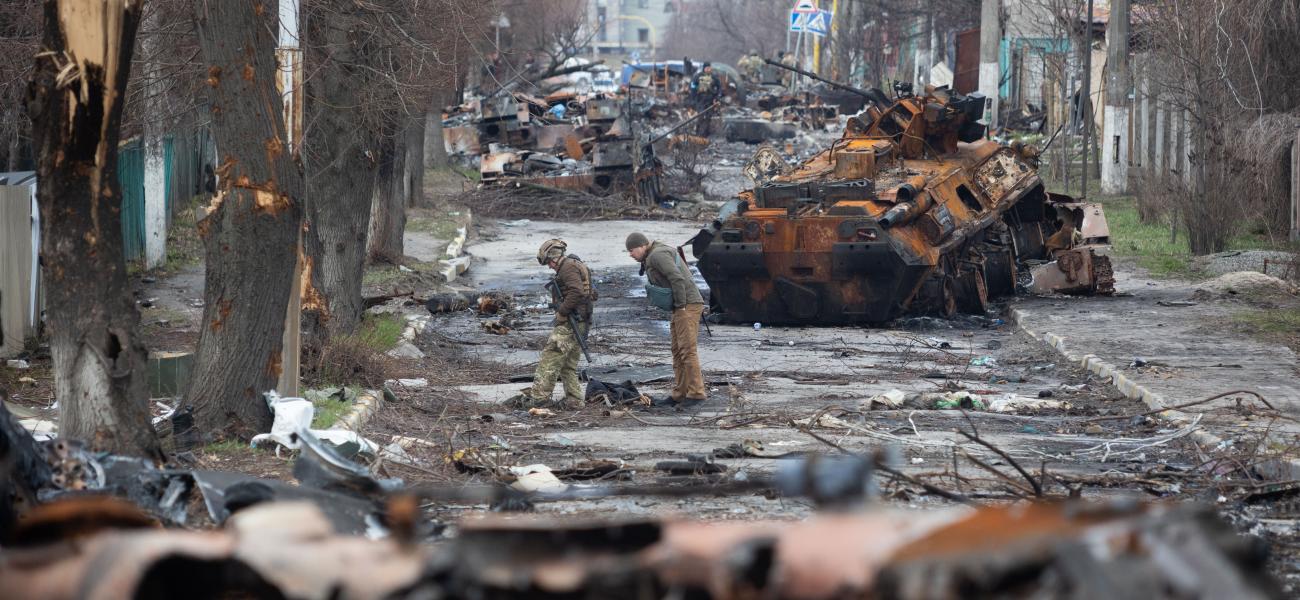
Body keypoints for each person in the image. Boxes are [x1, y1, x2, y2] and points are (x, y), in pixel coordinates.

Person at [509, 239, 596, 409]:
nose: (549, 266)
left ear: (554, 257)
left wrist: (562, 311)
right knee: (567, 365)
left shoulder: (568, 267)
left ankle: (539, 399)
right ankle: (575, 399)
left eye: (549, 262)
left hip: (571, 322)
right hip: (581, 321)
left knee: (550, 359)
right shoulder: (574, 264)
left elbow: (577, 292)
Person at [625, 232, 706, 409]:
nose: (630, 254)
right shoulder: (653, 255)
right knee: (677, 351)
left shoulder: (657, 255)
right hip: (681, 306)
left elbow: (676, 278)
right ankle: (680, 394)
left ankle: (697, 393)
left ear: (641, 246)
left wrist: (681, 305)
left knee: (687, 350)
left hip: (687, 305)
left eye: (631, 250)